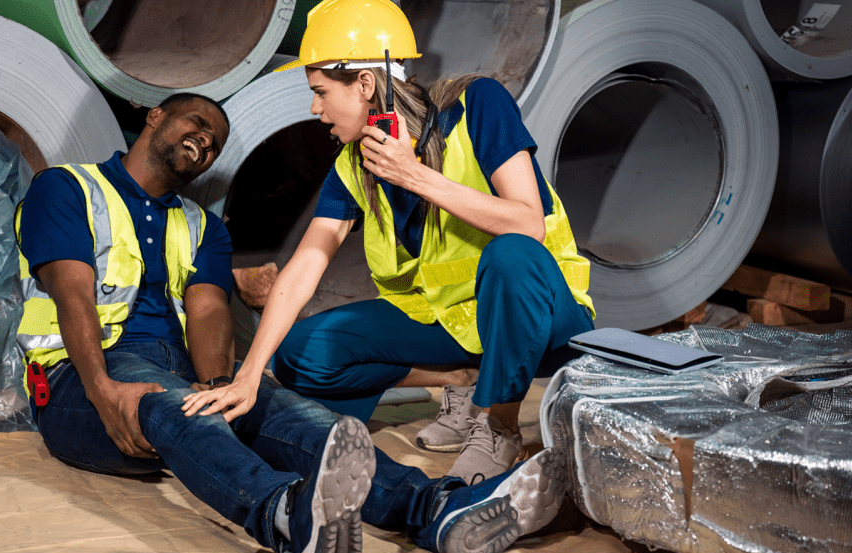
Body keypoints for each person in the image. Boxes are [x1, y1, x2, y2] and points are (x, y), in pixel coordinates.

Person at [16, 92, 568, 553]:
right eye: (196, 121)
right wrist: (104, 390)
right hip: (79, 379)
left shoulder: (203, 226)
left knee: (284, 412)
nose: (206, 139)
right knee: (171, 403)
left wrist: (223, 389)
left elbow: (208, 310)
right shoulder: (67, 188)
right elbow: (74, 298)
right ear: (154, 115)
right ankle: (286, 515)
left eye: (216, 142)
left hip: (175, 371)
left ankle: (436, 510)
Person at [181, 0, 596, 483]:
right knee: (299, 351)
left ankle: (497, 425)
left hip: (546, 318)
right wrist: (249, 374)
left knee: (511, 254)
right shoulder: (352, 167)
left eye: (319, 92)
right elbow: (305, 266)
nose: (315, 110)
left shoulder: (478, 105)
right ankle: (462, 382)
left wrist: (415, 176)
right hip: (452, 328)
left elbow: (527, 224)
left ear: (364, 83)